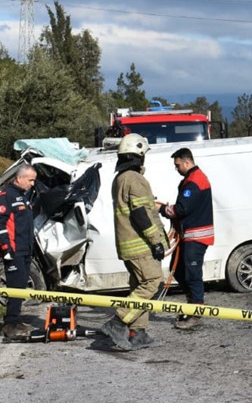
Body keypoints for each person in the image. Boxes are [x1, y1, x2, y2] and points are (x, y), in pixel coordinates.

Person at [99, 133, 168, 350]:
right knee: (153, 281)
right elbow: (141, 214)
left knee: (139, 285)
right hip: (140, 245)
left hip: (128, 244)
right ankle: (118, 322)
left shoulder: (119, 179)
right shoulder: (135, 179)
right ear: (138, 155)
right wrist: (156, 241)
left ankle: (138, 332)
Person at [158, 147, 213, 330]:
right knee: (179, 270)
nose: (176, 168)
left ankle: (196, 312)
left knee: (192, 274)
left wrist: (161, 209)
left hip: (196, 236)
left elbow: (181, 208)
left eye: (177, 165)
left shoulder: (194, 181)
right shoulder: (190, 180)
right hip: (188, 235)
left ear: (186, 162)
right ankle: (192, 305)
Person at [0, 164, 37, 342]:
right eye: (30, 180)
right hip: (14, 251)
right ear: (19, 178)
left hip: (25, 249)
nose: (33, 184)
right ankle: (10, 325)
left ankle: (16, 320)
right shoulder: (6, 197)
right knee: (15, 287)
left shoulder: (23, 197)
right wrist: (6, 250)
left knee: (20, 287)